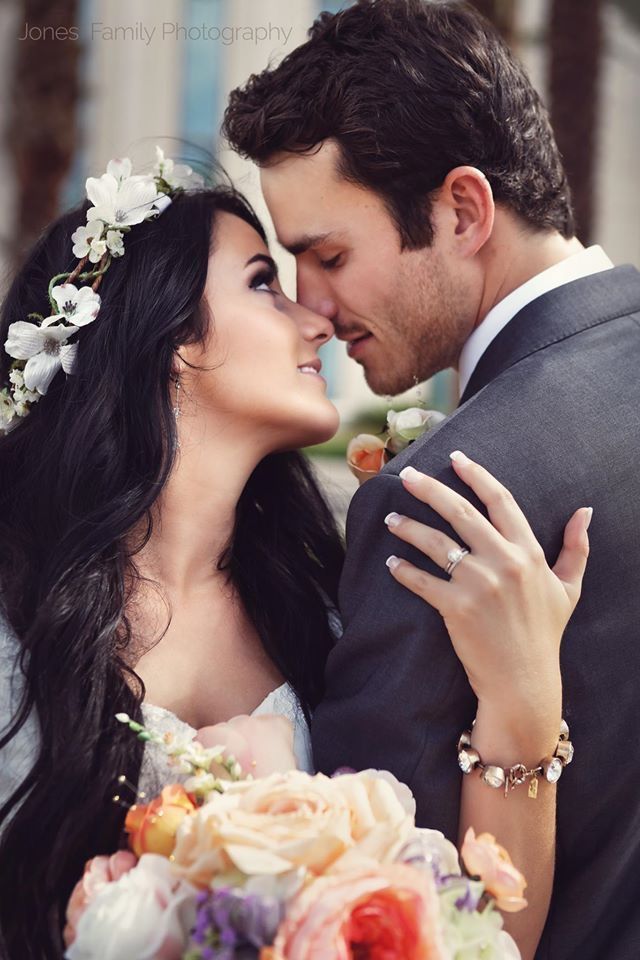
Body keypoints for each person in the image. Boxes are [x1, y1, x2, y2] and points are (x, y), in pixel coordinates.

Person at [0, 152, 586, 960]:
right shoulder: (16, 619)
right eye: (262, 283)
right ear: (167, 339)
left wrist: (524, 698)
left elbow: (481, 932)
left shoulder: (334, 594)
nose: (316, 317)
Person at [222, 1, 640, 958]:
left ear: (463, 209)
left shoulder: (445, 498)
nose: (312, 309)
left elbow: (388, 910)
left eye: (329, 256)